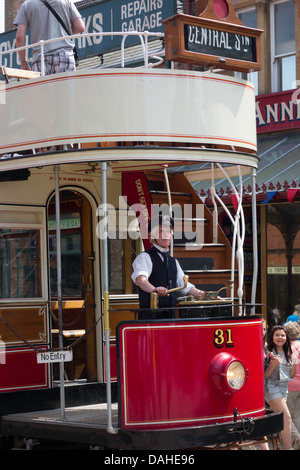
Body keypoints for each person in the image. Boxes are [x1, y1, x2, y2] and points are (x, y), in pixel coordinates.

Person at [131, 214, 206, 319]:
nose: (166, 235)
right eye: (161, 231)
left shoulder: (173, 261)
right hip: (150, 319)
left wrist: (205, 295)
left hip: (170, 318)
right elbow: (140, 279)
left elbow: (185, 287)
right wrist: (154, 290)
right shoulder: (144, 257)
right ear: (153, 236)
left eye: (168, 232)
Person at [14, 0, 85, 75]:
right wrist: (63, 35)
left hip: (40, 57)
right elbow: (80, 27)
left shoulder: (27, 5)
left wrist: (23, 62)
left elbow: (19, 37)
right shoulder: (65, 1)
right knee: (65, 86)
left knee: (42, 86)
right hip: (64, 52)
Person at [264, 325, 297, 450]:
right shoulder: (269, 353)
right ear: (272, 337)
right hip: (272, 388)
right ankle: (288, 448)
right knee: (287, 418)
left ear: (286, 338)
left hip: (284, 389)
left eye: (282, 335)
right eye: (277, 335)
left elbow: (291, 376)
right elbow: (265, 375)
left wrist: (294, 363)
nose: (280, 337)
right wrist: (273, 363)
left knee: (279, 421)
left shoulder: (289, 353)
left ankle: (271, 446)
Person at [285, 321, 300, 449]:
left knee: (287, 415)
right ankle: (296, 442)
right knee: (297, 415)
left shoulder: (289, 348)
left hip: (291, 385)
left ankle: (297, 438)